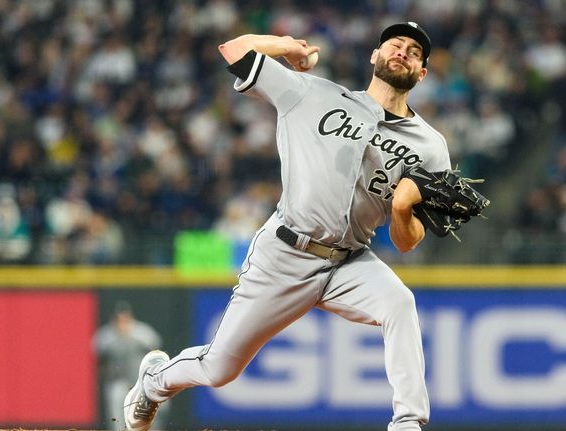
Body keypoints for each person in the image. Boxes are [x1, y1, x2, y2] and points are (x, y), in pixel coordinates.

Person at [124, 22, 450, 431]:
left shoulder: (431, 147)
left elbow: (407, 243)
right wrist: (283, 46)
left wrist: (403, 210)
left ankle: (408, 422)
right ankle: (154, 383)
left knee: (400, 303)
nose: (403, 51)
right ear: (375, 55)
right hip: (285, 253)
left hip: (349, 262)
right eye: (395, 44)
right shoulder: (311, 93)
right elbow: (234, 49)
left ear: (421, 73)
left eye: (415, 52)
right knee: (219, 368)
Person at [93, 301, 163, 430]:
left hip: (140, 383)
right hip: (117, 382)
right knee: (117, 417)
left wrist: (130, 335)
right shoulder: (107, 335)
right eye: (119, 319)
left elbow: (156, 345)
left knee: (146, 417)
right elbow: (96, 348)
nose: (122, 322)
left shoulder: (141, 332)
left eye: (125, 319)